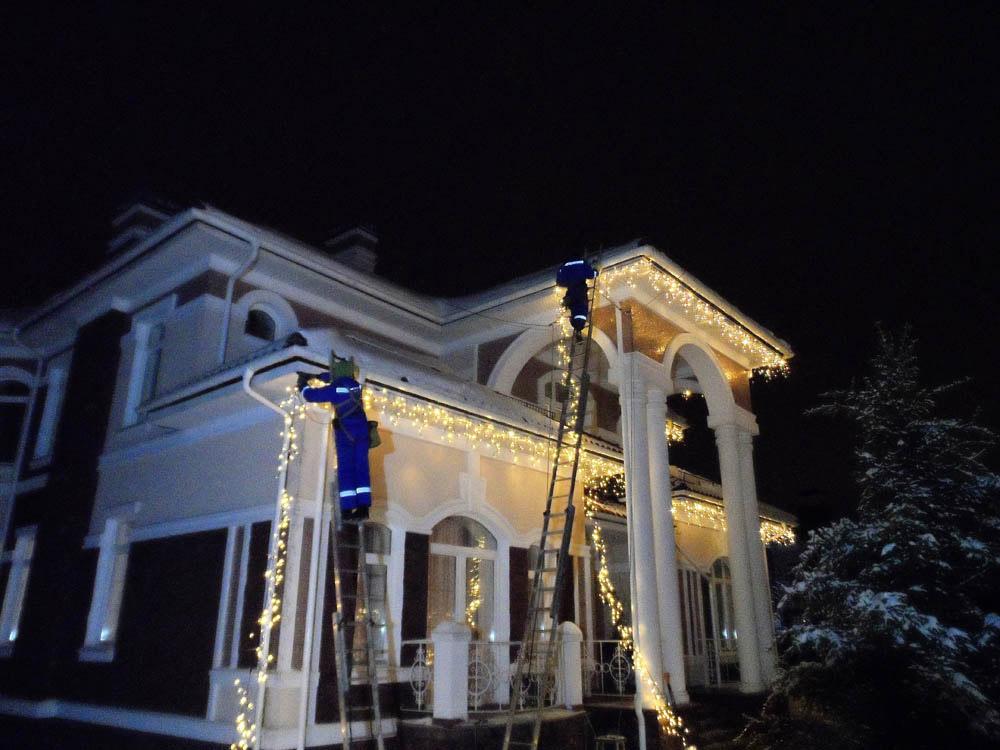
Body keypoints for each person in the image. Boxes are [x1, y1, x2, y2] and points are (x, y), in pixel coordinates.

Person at [299, 357, 374, 521]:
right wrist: (319, 376)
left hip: (346, 433)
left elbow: (312, 395)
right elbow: (335, 378)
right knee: (361, 469)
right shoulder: (356, 386)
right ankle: (363, 508)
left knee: (346, 470)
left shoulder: (336, 389)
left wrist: (303, 385)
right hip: (362, 432)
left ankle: (347, 509)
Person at [556, 258, 597, 332]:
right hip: (568, 264)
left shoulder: (583, 306)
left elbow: (593, 274)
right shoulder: (563, 280)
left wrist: (596, 270)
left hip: (580, 263)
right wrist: (565, 302)